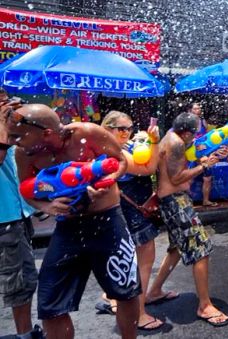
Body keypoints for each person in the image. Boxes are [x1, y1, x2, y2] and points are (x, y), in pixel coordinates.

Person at [9, 104, 139, 339]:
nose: (13, 141)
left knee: (126, 292)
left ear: (46, 133)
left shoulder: (86, 133)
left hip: (107, 220)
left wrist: (105, 183)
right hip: (67, 227)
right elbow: (25, 190)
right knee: (50, 304)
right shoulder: (24, 153)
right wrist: (47, 206)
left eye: (18, 136)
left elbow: (120, 161)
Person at [98, 111, 175, 331]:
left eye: (129, 127)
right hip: (132, 212)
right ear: (107, 129)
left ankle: (112, 297)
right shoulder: (114, 151)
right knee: (143, 261)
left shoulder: (116, 146)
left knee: (125, 259)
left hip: (125, 211)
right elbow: (147, 168)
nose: (127, 132)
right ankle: (139, 314)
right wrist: (153, 141)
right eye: (121, 129)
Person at [151, 112, 228, 327]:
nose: (194, 138)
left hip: (172, 201)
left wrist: (210, 156)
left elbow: (188, 156)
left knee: (176, 249)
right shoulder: (176, 143)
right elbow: (176, 177)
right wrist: (204, 166)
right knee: (201, 250)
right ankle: (204, 305)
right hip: (176, 202)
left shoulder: (172, 137)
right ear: (185, 132)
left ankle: (154, 291)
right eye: (193, 133)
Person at [0, 93, 44, 339]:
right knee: (20, 280)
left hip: (17, 212)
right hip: (5, 218)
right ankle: (24, 334)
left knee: (22, 277)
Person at [189, 103, 218, 207]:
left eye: (199, 108)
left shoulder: (203, 122)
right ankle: (186, 201)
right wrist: (195, 143)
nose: (198, 110)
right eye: (195, 108)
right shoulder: (188, 122)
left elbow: (207, 137)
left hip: (205, 153)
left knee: (208, 178)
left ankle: (205, 200)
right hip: (193, 154)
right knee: (190, 177)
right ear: (190, 110)